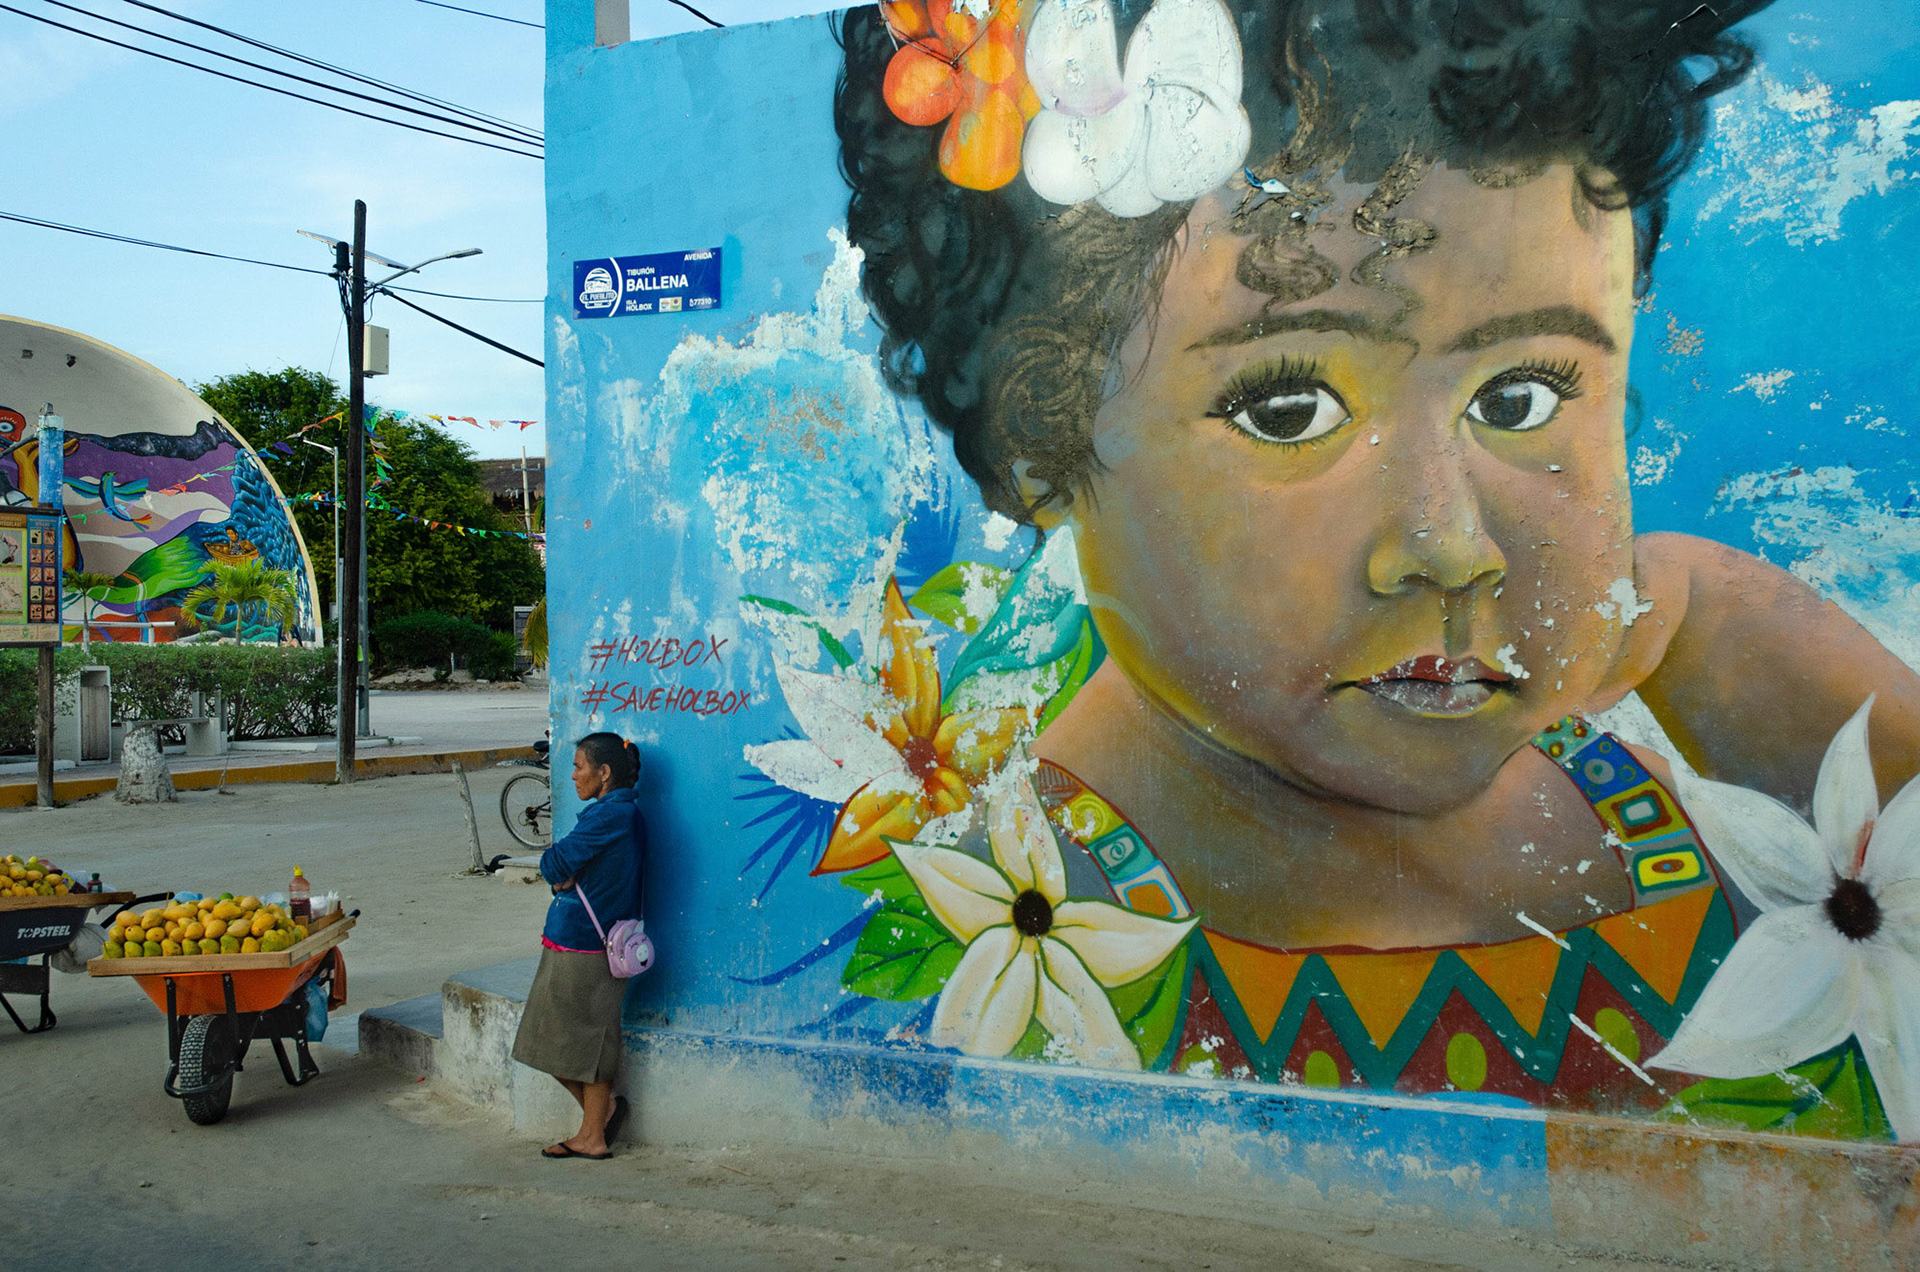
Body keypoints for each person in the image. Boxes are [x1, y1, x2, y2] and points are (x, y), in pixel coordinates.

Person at [829, 0, 1920, 1109]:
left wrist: (1722, 621)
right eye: (1289, 410)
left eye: (1522, 397)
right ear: (1038, 441)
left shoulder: (1674, 796)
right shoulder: (1029, 914)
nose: (1450, 545)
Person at [511, 732, 645, 1158]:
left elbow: (553, 863)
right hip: (576, 941)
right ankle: (599, 1119)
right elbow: (563, 868)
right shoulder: (614, 814)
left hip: (586, 945)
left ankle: (593, 1135)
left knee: (587, 1041)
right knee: (550, 1041)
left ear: (603, 773)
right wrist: (562, 875)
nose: (572, 776)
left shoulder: (611, 816)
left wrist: (561, 875)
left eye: (578, 766)